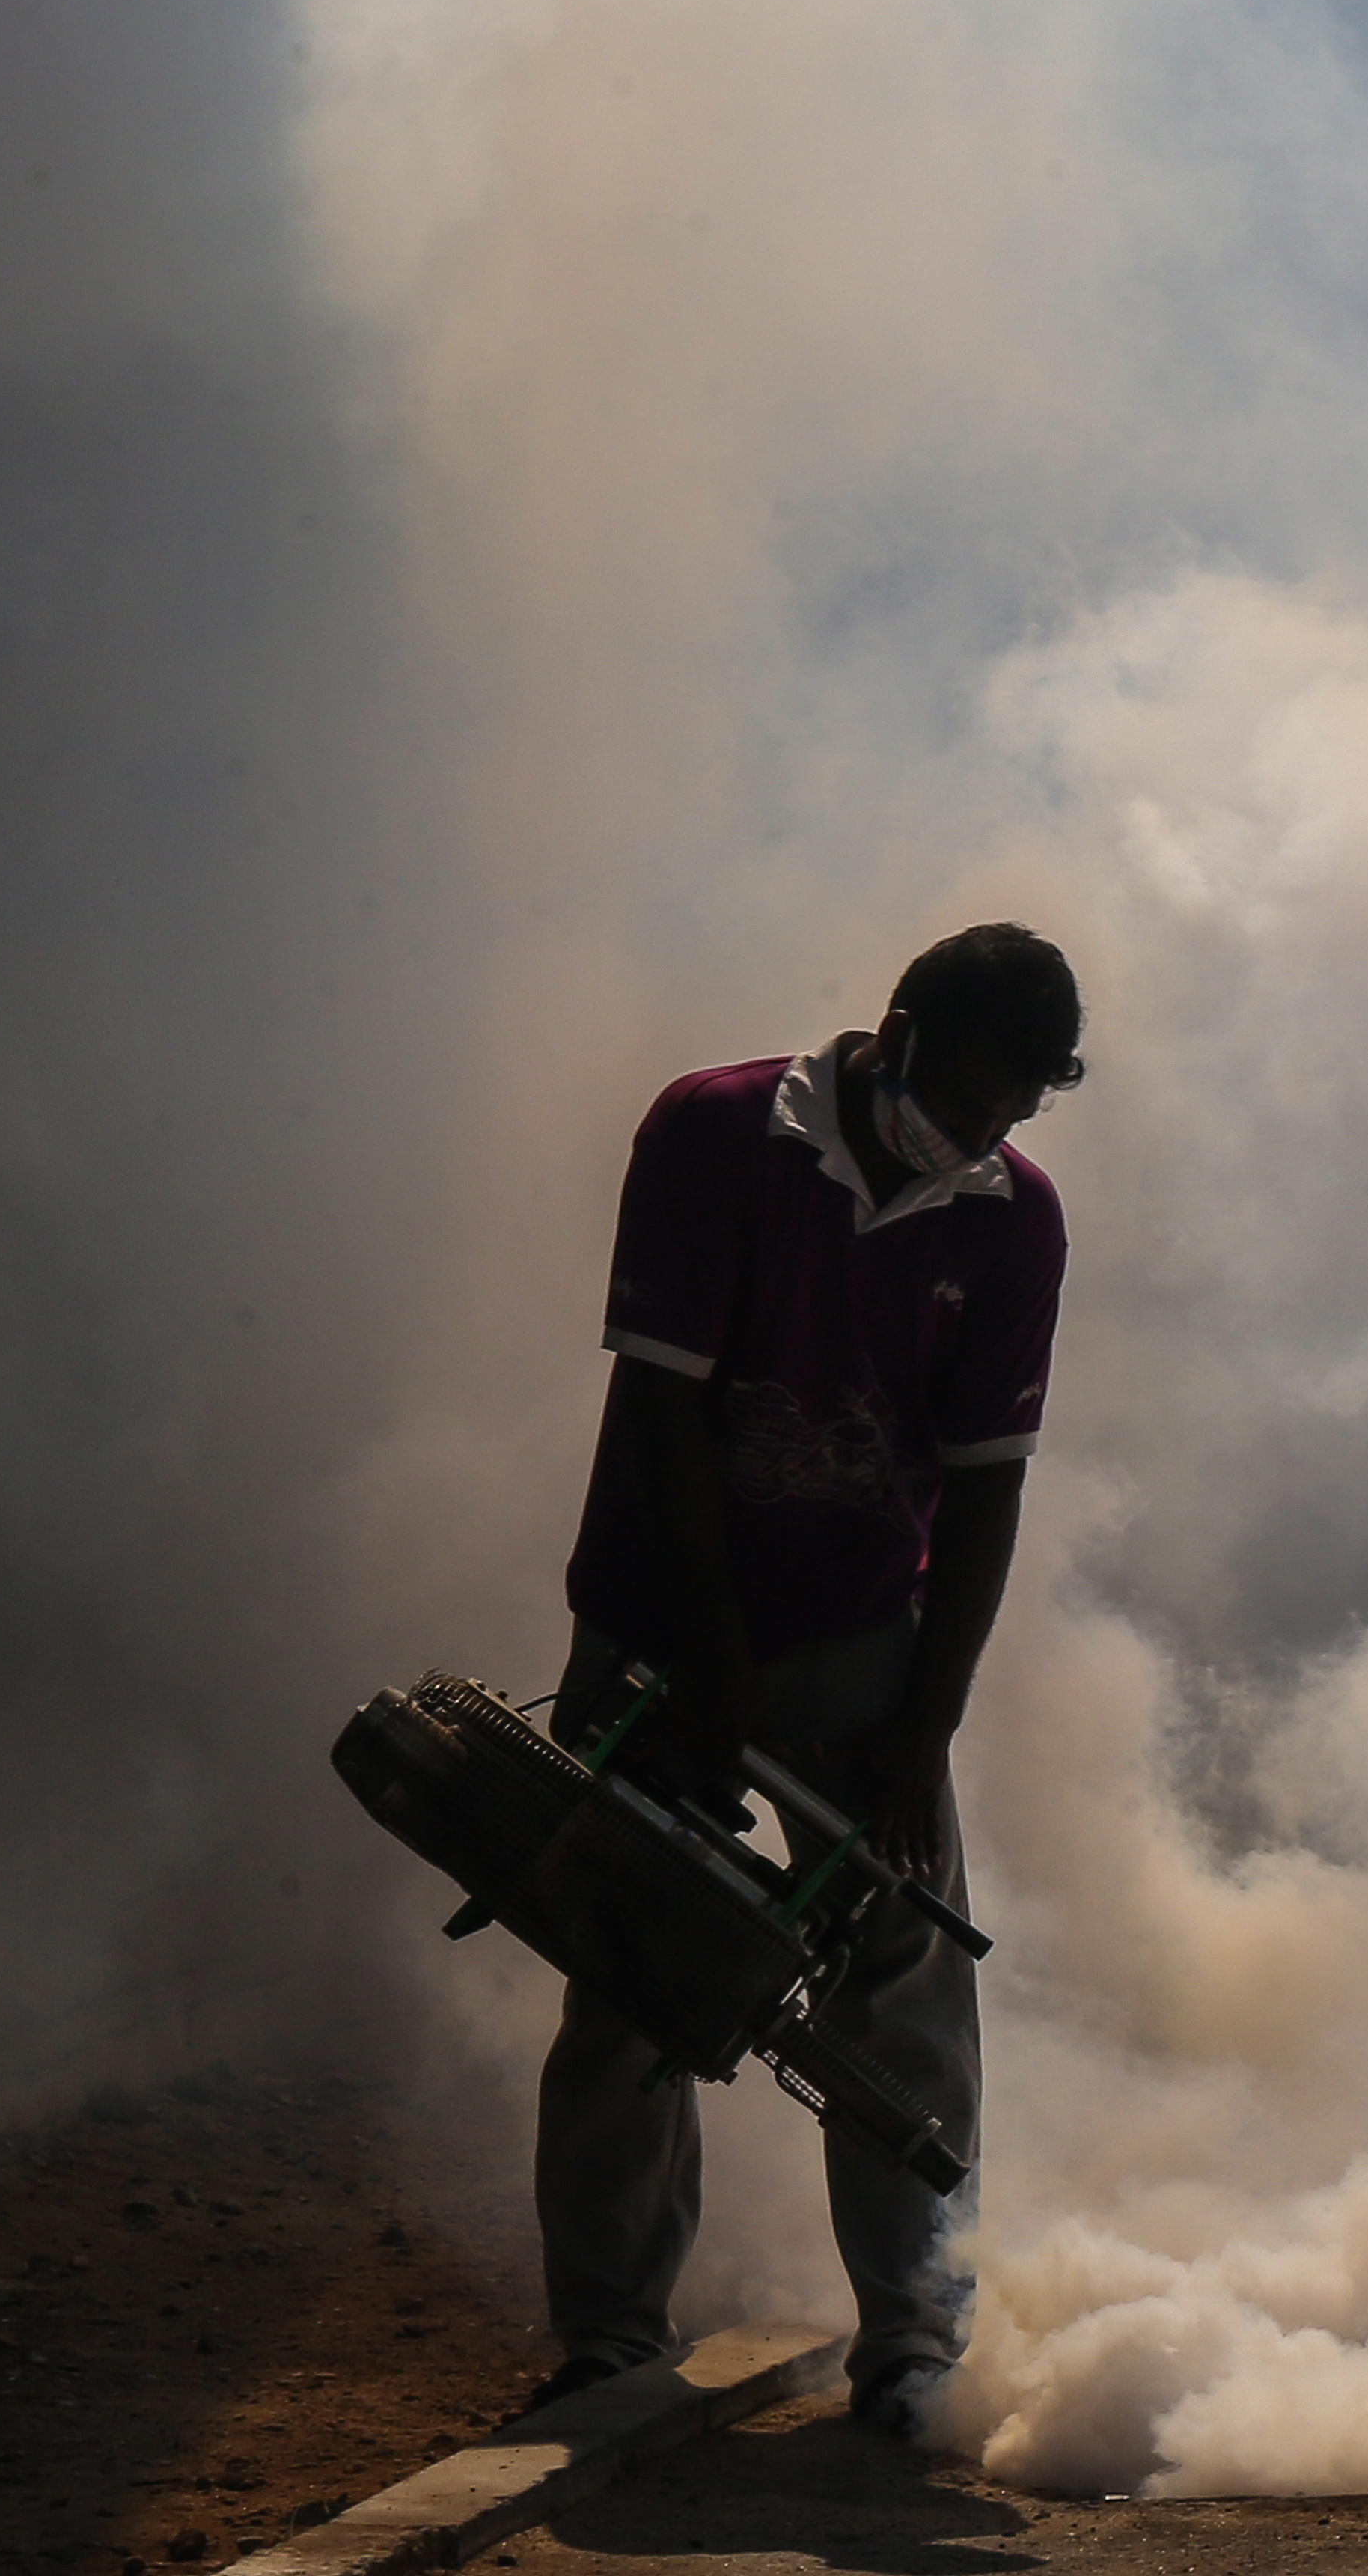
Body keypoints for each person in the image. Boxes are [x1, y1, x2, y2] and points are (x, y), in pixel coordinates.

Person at [525, 922, 1083, 2436]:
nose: (974, 1139)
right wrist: (702, 1668)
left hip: (860, 1636)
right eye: (961, 1101)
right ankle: (610, 2338)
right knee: (640, 1969)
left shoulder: (1012, 1221)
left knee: (904, 1969)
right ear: (893, 1035)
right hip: (662, 1618)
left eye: (1008, 1120)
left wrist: (924, 1727)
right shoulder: (715, 1133)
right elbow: (658, 1413)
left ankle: (911, 2338)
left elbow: (982, 1491)